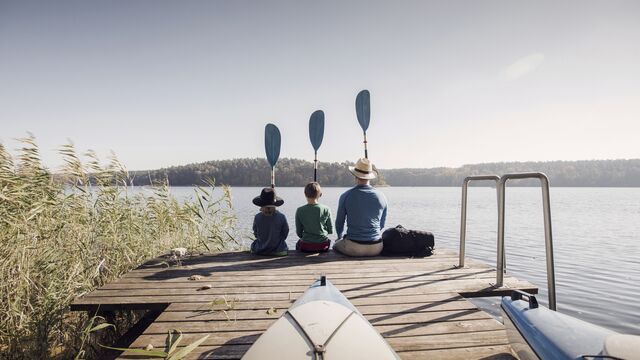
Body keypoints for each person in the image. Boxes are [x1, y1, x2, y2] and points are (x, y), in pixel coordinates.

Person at [334, 158, 388, 257]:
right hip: (377, 247)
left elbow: (339, 222)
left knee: (335, 245)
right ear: (370, 176)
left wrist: (339, 237)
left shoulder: (346, 196)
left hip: (354, 247)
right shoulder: (382, 196)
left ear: (355, 175)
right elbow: (382, 224)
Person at [295, 182, 334, 252]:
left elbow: (299, 233)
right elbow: (331, 230)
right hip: (323, 246)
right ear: (320, 195)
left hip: (306, 246)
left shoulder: (299, 210)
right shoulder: (326, 209)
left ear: (305, 194)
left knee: (298, 244)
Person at [250, 187, 289, 256]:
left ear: (261, 204)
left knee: (253, 245)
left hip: (260, 250)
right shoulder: (281, 217)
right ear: (275, 204)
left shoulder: (257, 217)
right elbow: (285, 233)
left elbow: (256, 234)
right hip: (279, 251)